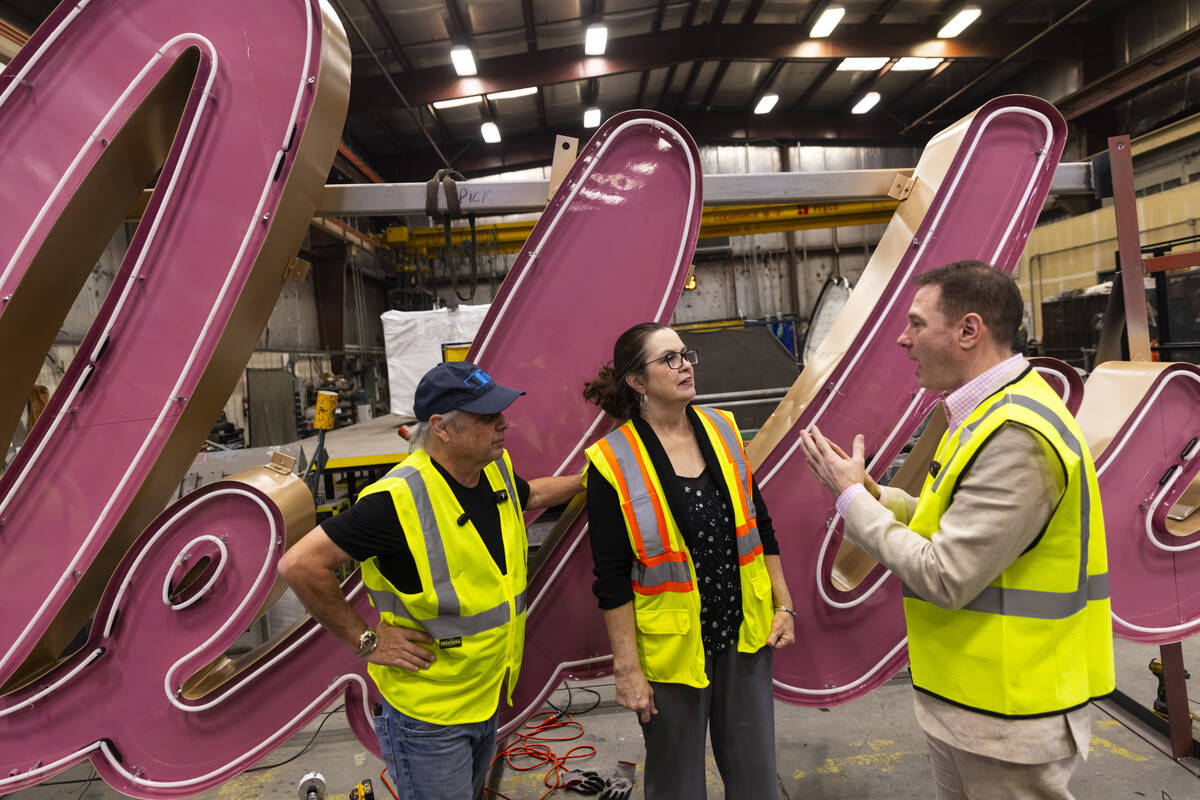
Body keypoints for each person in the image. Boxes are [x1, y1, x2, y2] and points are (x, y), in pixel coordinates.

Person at [800, 261, 1114, 800]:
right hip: (970, 701)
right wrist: (874, 494)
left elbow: (945, 574)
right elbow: (948, 518)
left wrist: (852, 501)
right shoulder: (982, 413)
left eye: (917, 324)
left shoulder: (1015, 433)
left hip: (1010, 713)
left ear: (969, 330)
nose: (903, 339)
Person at [278, 361, 582, 800]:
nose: (504, 424)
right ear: (441, 427)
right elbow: (300, 565)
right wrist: (366, 640)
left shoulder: (490, 469)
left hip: (483, 696)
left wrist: (589, 480)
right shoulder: (396, 500)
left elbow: (529, 495)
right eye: (486, 417)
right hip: (429, 718)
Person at [582, 322, 796, 800]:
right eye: (670, 359)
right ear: (637, 382)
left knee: (757, 781)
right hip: (672, 652)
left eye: (685, 355)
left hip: (744, 636)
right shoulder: (611, 461)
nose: (685, 366)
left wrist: (785, 604)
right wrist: (627, 670)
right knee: (676, 785)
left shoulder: (722, 430)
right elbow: (610, 579)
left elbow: (759, 523)